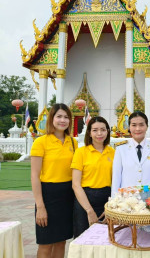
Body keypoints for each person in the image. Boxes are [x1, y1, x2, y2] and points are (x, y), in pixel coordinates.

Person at [30, 104, 78, 258]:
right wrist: (40, 206)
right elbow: (35, 175)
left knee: (61, 241)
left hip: (67, 196)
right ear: (52, 119)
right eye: (59, 116)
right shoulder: (41, 142)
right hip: (48, 196)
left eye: (66, 117)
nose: (62, 120)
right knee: (45, 244)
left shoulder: (73, 142)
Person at [71, 116, 115, 238]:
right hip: (85, 200)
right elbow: (76, 184)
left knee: (107, 238)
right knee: (83, 238)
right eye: (95, 130)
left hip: (107, 199)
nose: (99, 133)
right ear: (89, 133)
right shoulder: (81, 152)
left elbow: (117, 182)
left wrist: (111, 207)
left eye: (103, 129)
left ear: (107, 131)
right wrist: (89, 210)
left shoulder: (113, 152)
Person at [111, 111, 150, 195]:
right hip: (127, 201)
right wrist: (114, 201)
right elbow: (116, 178)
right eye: (134, 125)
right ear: (129, 127)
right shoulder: (121, 149)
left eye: (141, 125)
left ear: (147, 126)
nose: (137, 129)